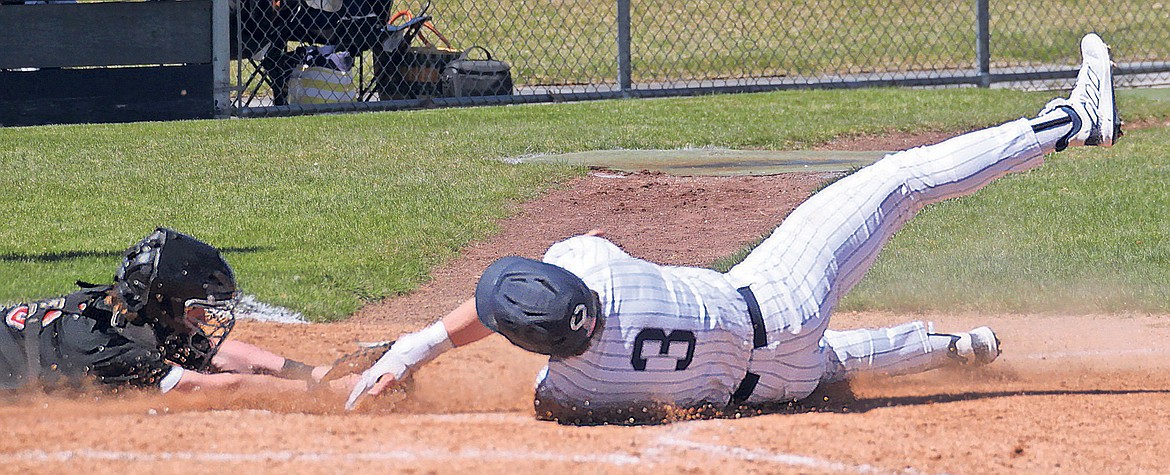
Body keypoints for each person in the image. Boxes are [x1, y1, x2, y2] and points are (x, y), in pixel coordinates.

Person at [345, 34, 1122, 422]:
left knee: (828, 364)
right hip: (778, 292)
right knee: (898, 181)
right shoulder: (595, 263)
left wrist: (410, 354)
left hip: (766, 386)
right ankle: (1071, 121)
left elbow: (523, 337)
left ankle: (957, 350)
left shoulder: (576, 387)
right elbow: (518, 294)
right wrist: (424, 343)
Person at [1, 228, 343, 394]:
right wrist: (328, 393)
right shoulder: (109, 348)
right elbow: (217, 387)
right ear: (163, 303)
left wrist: (318, 373)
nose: (205, 321)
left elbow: (221, 356)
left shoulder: (128, 314)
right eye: (196, 311)